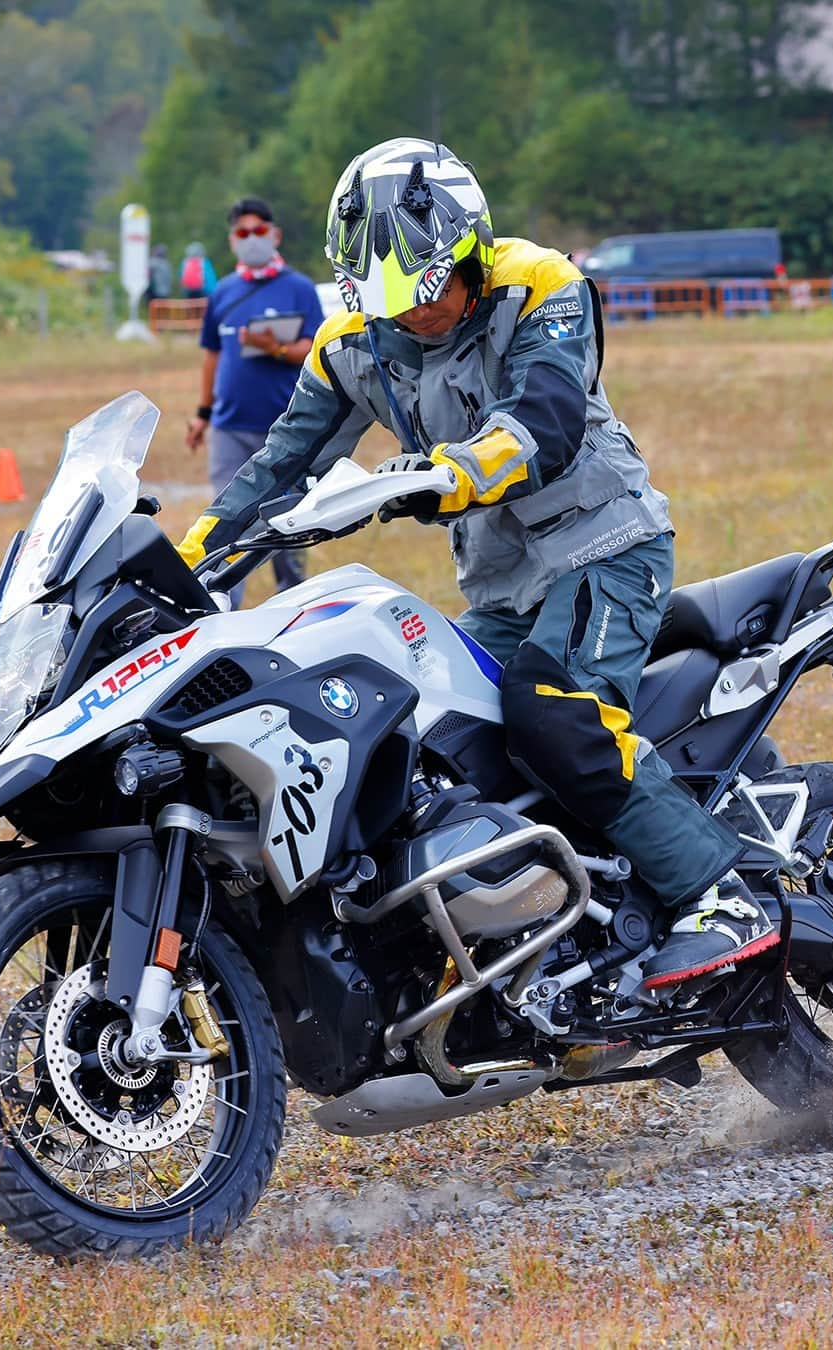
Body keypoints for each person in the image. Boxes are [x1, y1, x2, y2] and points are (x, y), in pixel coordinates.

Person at [176, 139, 778, 991]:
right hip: (499, 586)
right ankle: (553, 941)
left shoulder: (542, 285)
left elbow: (546, 419)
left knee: (550, 711)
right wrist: (182, 563)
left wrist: (447, 475)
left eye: (428, 292)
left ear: (468, 249)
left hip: (605, 549)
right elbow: (278, 468)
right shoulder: (355, 341)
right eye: (389, 302)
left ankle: (722, 896)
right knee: (434, 748)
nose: (415, 316)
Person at [183, 196, 325, 607]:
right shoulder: (223, 292)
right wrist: (202, 414)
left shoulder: (299, 289)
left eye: (259, 231)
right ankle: (221, 605)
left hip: (283, 426)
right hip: (229, 426)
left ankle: (292, 600)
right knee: (225, 518)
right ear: (232, 241)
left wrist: (275, 347)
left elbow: (317, 348)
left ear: (275, 235)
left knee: (286, 519)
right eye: (242, 233)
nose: (251, 239)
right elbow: (212, 355)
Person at [146, 243, 173, 308]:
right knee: (162, 311)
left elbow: (147, 275)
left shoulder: (152, 262)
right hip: (165, 292)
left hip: (155, 292)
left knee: (154, 310)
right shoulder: (167, 264)